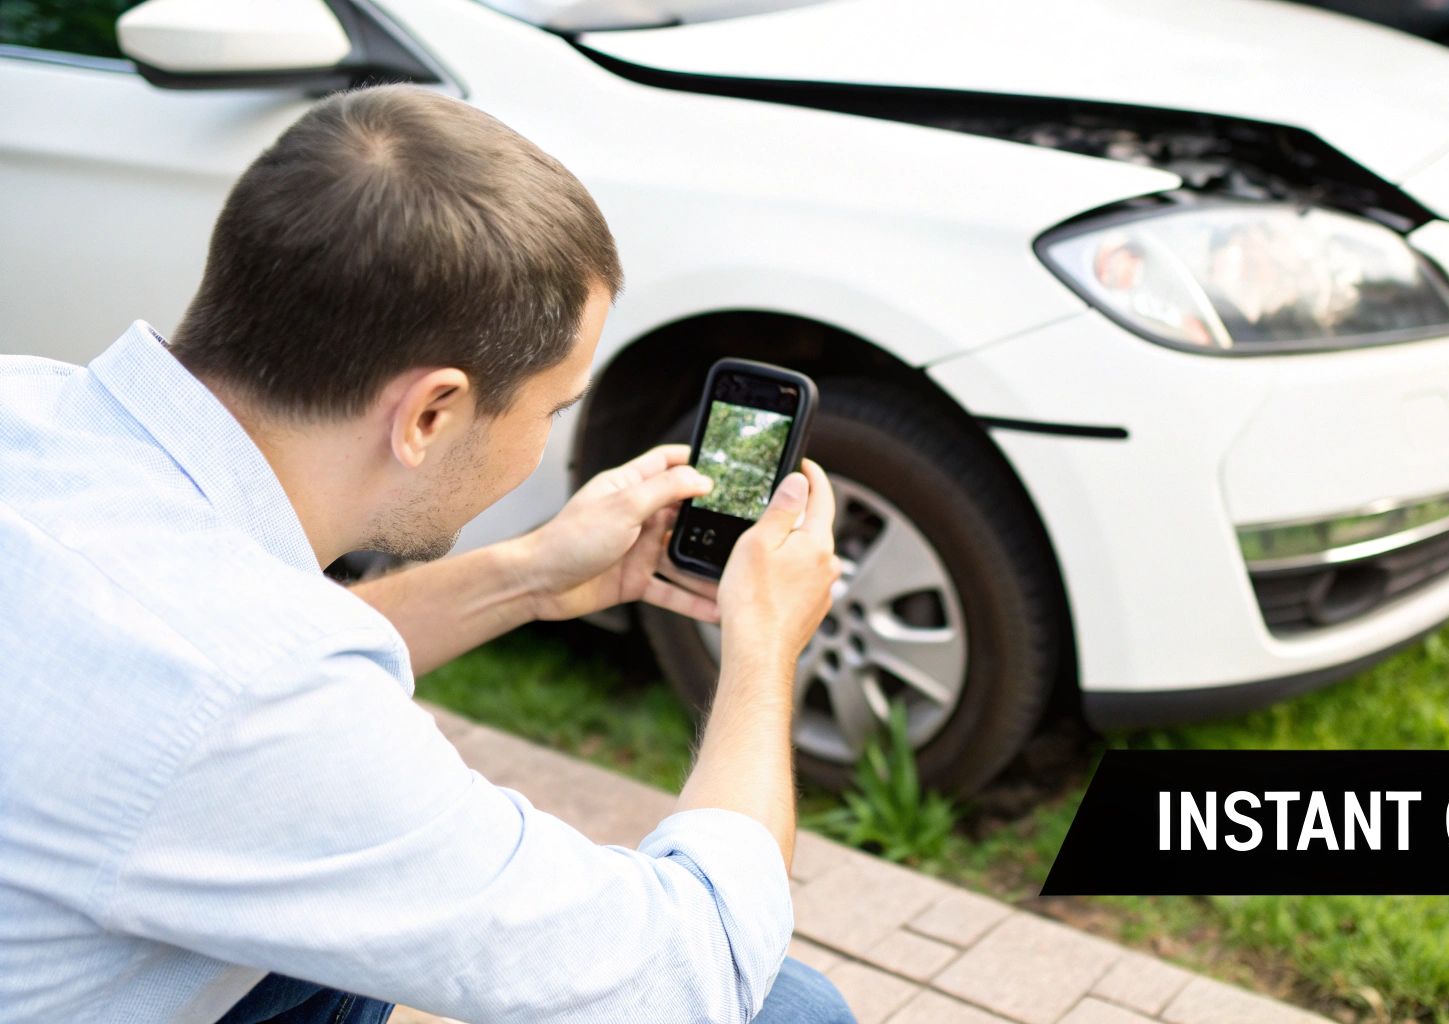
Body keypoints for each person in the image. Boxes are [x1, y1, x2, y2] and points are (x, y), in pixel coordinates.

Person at [0, 84, 853, 1024]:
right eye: (552, 408)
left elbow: (195, 668)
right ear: (432, 413)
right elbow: (694, 971)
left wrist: (529, 572)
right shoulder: (260, 704)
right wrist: (764, 646)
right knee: (787, 1009)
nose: (548, 441)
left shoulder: (29, 407)